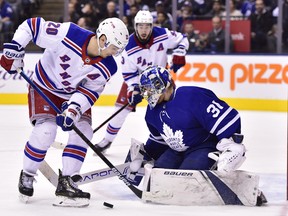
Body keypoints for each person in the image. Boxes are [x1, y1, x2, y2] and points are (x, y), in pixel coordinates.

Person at [0, 17, 129, 207]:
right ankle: (27, 174)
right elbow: (32, 26)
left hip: (71, 96)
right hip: (44, 88)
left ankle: (67, 181)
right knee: (46, 131)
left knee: (84, 131)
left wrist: (73, 111)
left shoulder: (109, 66)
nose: (116, 53)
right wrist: (15, 48)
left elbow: (89, 91)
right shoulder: (69, 33)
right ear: (103, 40)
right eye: (114, 48)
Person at [128, 65, 267, 206]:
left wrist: (232, 144)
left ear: (162, 85)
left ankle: (245, 190)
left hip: (203, 146)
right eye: (145, 90)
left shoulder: (190, 96)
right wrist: (144, 157)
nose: (147, 94)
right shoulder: (151, 113)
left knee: (187, 178)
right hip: (176, 151)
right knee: (159, 176)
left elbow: (227, 117)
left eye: (149, 89)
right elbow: (159, 142)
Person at [94, 10, 189, 152]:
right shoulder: (128, 45)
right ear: (135, 26)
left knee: (172, 110)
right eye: (140, 27)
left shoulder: (163, 34)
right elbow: (128, 73)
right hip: (138, 80)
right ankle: (107, 140)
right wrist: (134, 88)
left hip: (162, 81)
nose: (143, 30)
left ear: (152, 26)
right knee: (120, 110)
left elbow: (183, 38)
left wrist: (180, 52)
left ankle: (179, 140)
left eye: (147, 27)